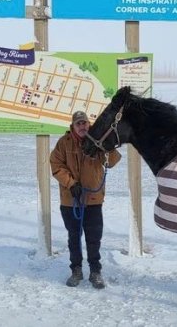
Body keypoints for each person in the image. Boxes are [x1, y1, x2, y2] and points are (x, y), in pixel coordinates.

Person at [50, 110, 121, 289]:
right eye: (78, 123)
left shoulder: (98, 141)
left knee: (94, 238)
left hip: (93, 199)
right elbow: (56, 166)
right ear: (73, 126)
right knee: (74, 237)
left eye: (85, 123)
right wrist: (71, 184)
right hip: (70, 200)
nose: (82, 126)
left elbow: (111, 162)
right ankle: (76, 270)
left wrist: (109, 145)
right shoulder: (63, 143)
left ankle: (95, 271)